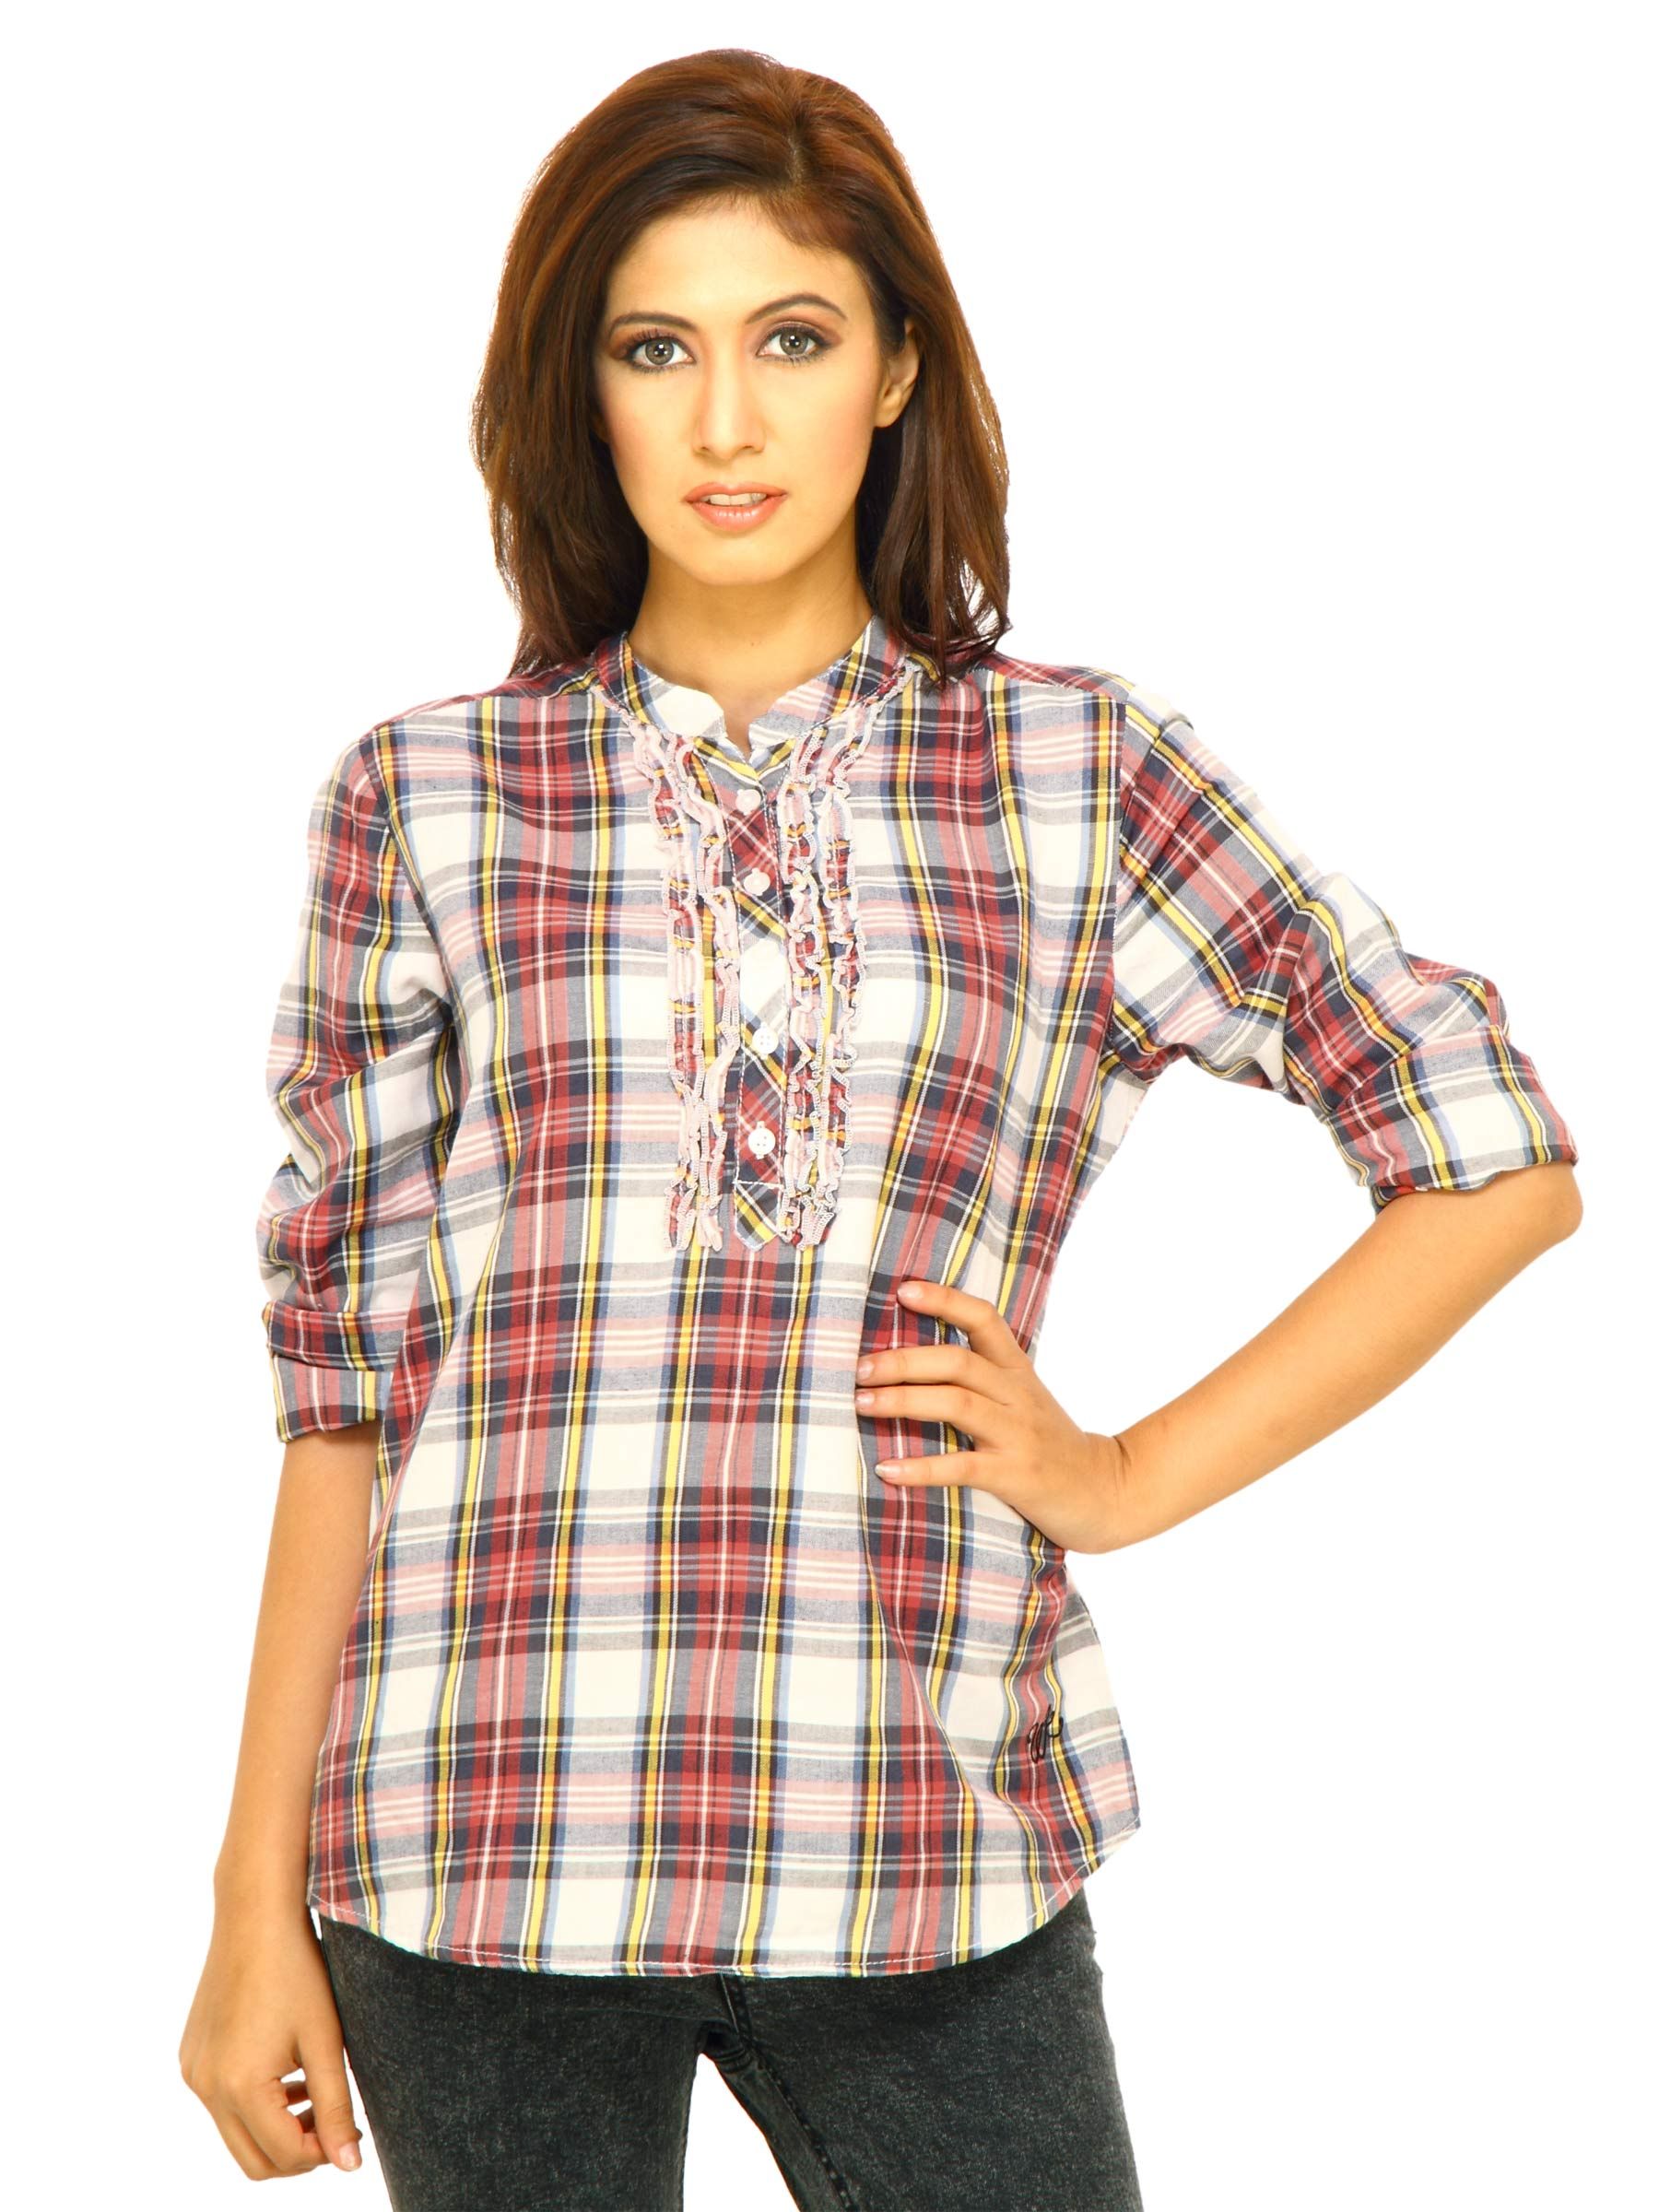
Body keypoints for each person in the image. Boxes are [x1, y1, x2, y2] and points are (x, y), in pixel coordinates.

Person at [178, 46, 1583, 2212]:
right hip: (474, 1837)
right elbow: (345, 1392)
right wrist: (245, 1898)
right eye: (657, 349)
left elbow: (1489, 1154)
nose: (725, 422)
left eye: (794, 339)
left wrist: (1123, 1476)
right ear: (582, 392)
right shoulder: (429, 796)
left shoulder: (1079, 778)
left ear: (898, 366)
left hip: (919, 1827)